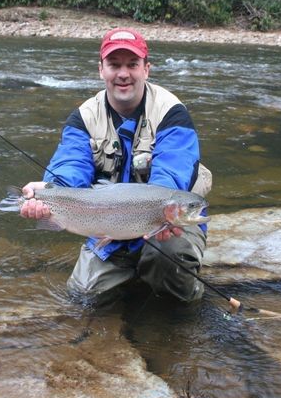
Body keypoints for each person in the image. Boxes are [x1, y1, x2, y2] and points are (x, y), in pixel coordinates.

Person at [19, 27, 212, 303]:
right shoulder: (83, 118)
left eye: (132, 64)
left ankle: (181, 312)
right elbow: (70, 167)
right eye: (114, 64)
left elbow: (173, 172)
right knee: (83, 296)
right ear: (101, 70)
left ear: (147, 69)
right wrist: (49, 192)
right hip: (109, 227)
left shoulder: (172, 113)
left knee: (167, 260)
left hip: (165, 231)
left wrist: (165, 215)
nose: (123, 74)